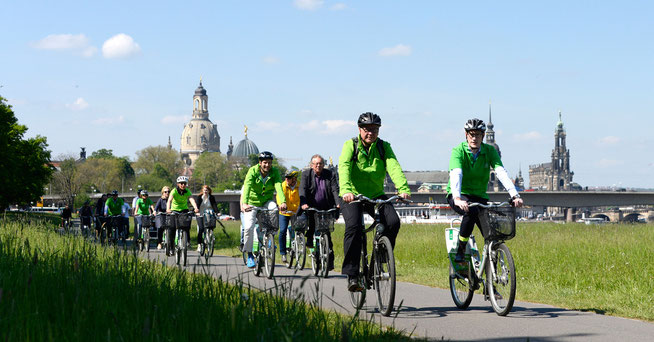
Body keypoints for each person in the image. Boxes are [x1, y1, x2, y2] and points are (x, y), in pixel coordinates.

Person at [338, 112, 411, 292]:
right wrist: (346, 190)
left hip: (376, 194)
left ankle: (381, 258)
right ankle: (352, 274)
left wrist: (403, 188)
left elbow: (394, 167)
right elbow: (344, 167)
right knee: (354, 227)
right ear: (359, 130)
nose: (371, 133)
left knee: (393, 222)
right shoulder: (350, 145)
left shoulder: (384, 147)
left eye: (375, 129)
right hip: (353, 195)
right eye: (367, 129)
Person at [447, 118, 524, 263]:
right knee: (470, 212)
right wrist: (457, 198)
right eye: (471, 134)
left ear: (483, 136)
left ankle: (490, 273)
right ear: (466, 135)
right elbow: (456, 174)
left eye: (478, 135)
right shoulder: (458, 151)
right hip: (459, 194)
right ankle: (461, 250)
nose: (474, 138)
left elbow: (500, 171)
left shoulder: (489, 151)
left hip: (479, 196)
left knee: (490, 232)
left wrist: (514, 194)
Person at [241, 151, 287, 268]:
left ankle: (271, 238)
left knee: (274, 209)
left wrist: (282, 202)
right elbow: (247, 186)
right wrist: (245, 203)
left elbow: (278, 187)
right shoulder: (252, 171)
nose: (267, 165)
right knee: (248, 227)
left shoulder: (274, 172)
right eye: (265, 163)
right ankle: (250, 254)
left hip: (266, 201)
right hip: (252, 202)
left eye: (270, 163)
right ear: (260, 163)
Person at [299, 154, 340, 270]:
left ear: (323, 164)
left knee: (327, 233)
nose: (318, 165)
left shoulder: (329, 174)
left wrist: (338, 203)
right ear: (312, 165)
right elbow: (302, 189)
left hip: (326, 206)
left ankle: (330, 260)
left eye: (320, 163)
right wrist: (303, 203)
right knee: (312, 227)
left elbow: (334, 189)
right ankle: (312, 244)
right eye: (316, 164)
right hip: (311, 206)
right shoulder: (306, 174)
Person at [166, 176, 199, 253]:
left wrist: (195, 208)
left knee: (186, 226)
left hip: (184, 210)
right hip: (174, 210)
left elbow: (191, 199)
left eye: (184, 183)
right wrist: (168, 209)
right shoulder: (174, 191)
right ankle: (171, 246)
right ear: (178, 184)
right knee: (172, 228)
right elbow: (169, 200)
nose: (183, 185)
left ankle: (187, 241)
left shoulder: (187, 191)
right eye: (181, 183)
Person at [278, 168, 300, 263]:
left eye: (289, 177)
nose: (287, 179)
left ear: (294, 178)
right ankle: (283, 253)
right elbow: (279, 196)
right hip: (284, 212)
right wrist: (281, 205)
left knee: (298, 229)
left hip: (296, 211)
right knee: (282, 231)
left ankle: (295, 246)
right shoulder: (283, 185)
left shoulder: (300, 186)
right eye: (286, 177)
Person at [194, 185, 220, 252]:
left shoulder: (211, 197)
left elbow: (214, 206)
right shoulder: (199, 197)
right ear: (202, 191)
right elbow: (197, 206)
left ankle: (209, 238)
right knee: (201, 228)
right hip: (200, 214)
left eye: (207, 190)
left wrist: (217, 212)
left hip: (209, 213)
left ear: (209, 191)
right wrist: (197, 212)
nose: (205, 191)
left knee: (210, 226)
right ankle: (199, 244)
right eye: (204, 190)